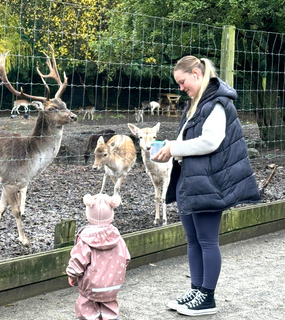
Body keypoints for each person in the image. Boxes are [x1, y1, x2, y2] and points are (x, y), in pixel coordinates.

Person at [152, 55, 261, 316]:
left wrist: (173, 147)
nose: (180, 88)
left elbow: (210, 142)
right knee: (193, 241)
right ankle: (196, 289)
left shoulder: (217, 103)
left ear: (196, 74)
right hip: (192, 182)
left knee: (207, 241)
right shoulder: (196, 104)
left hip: (210, 184)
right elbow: (187, 139)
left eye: (182, 82)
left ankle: (207, 297)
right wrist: (169, 148)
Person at [66, 193, 131, 320]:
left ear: (88, 214)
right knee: (110, 306)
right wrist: (116, 271)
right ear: (111, 214)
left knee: (86, 307)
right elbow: (126, 258)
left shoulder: (85, 239)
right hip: (112, 285)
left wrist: (72, 274)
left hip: (91, 286)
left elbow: (78, 260)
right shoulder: (117, 237)